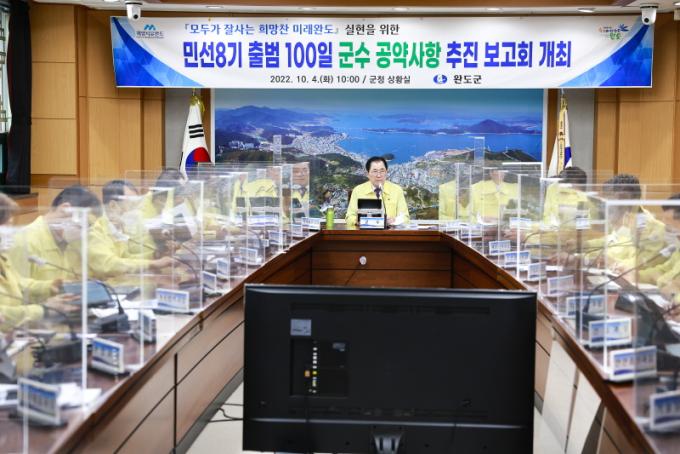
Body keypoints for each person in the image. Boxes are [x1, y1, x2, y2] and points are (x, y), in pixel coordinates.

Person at [0, 194, 77, 330]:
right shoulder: (27, 240)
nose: (10, 232)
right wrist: (43, 309)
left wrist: (50, 286)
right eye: (7, 225)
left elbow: (18, 283)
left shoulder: (2, 257)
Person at [8, 185, 102, 282]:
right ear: (65, 210)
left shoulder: (69, 242)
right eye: (87, 224)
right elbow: (16, 289)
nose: (86, 233)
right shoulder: (24, 242)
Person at [88, 180, 175, 280]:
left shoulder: (117, 228)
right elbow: (109, 265)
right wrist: (152, 264)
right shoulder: (94, 232)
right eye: (132, 205)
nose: (136, 211)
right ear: (113, 206)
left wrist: (155, 255)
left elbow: (125, 258)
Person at [585, 174, 665, 272]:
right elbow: (611, 241)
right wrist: (585, 247)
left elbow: (644, 264)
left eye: (611, 200)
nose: (606, 206)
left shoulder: (656, 230)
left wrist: (612, 263)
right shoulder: (623, 222)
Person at [345, 156, 409, 227]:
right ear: (367, 174)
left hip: (390, 232)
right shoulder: (358, 190)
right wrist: (357, 221)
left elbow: (405, 217)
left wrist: (395, 220)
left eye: (382, 171)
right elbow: (349, 217)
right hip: (365, 232)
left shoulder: (397, 190)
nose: (379, 175)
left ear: (386, 172)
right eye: (375, 171)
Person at [639, 194, 680, 292]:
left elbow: (674, 286)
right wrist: (636, 275)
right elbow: (663, 269)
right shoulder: (678, 248)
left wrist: (671, 290)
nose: (665, 228)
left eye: (668, 225)